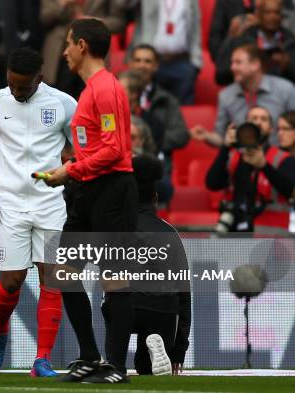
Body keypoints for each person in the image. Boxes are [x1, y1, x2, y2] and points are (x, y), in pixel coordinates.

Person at [0, 47, 75, 377]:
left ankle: (42, 359)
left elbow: (81, 151)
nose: (16, 91)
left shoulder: (64, 105)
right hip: (10, 204)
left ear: (39, 78)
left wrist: (70, 170)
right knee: (11, 281)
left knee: (51, 279)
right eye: (12, 83)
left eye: (23, 86)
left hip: (50, 204)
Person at [44, 18, 138, 383]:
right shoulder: (91, 90)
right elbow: (100, 145)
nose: (64, 51)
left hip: (112, 189)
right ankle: (88, 355)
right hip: (87, 189)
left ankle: (115, 366)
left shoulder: (105, 89)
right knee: (64, 273)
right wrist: (72, 169)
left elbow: (114, 150)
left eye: (67, 44)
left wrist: (70, 169)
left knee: (115, 279)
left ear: (82, 45)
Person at [130, 154, 191, 376]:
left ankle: (111, 357)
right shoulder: (170, 233)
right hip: (164, 309)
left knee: (113, 303)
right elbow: (184, 292)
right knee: (145, 368)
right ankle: (157, 346)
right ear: (155, 199)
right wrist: (179, 349)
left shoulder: (117, 229)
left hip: (126, 308)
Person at [206, 107, 295, 233]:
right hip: (234, 233)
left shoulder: (282, 158)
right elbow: (212, 184)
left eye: (263, 119)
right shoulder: (233, 156)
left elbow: (290, 190)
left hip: (271, 235)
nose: (258, 122)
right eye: (253, 118)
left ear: (271, 129)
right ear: (244, 126)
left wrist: (264, 166)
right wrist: (225, 147)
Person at [191, 43, 295, 148]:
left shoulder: (285, 89)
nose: (232, 67)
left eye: (238, 62)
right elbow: (221, 138)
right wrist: (207, 136)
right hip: (242, 159)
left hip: (278, 158)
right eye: (232, 63)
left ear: (255, 65)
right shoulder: (226, 95)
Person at [126, 44, 190, 190]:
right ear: (130, 63)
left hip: (156, 167)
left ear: (156, 66)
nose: (142, 65)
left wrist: (149, 141)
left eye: (147, 61)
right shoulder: (115, 95)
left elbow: (181, 135)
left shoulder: (167, 100)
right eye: (138, 60)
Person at [130, 0, 202, 105]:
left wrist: (196, 62)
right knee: (148, 106)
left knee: (184, 111)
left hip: (182, 62)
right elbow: (125, 4)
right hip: (151, 62)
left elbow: (196, 26)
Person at [215, 0, 295, 86]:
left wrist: (287, 65)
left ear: (282, 16)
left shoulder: (290, 40)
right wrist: (247, 67)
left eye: (276, 13)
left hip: (281, 92)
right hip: (246, 91)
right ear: (258, 14)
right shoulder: (243, 38)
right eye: (267, 12)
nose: (273, 17)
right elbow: (221, 75)